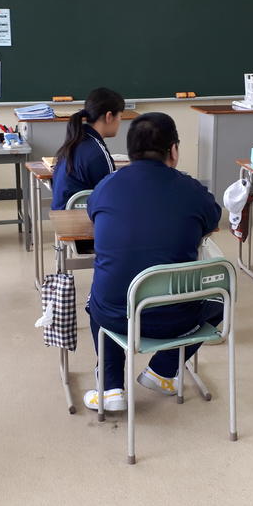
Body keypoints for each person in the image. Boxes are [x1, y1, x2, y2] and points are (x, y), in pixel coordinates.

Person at [83, 113, 222, 411]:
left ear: (129, 152)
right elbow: (212, 220)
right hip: (178, 318)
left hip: (117, 316)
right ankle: (163, 370)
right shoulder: (192, 190)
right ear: (173, 150)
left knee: (98, 297)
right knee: (221, 300)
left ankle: (110, 388)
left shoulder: (107, 186)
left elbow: (93, 214)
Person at [50, 87, 125, 210]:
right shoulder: (98, 153)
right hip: (80, 218)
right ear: (109, 116)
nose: (119, 122)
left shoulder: (76, 141)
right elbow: (112, 197)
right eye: (120, 117)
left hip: (60, 216)